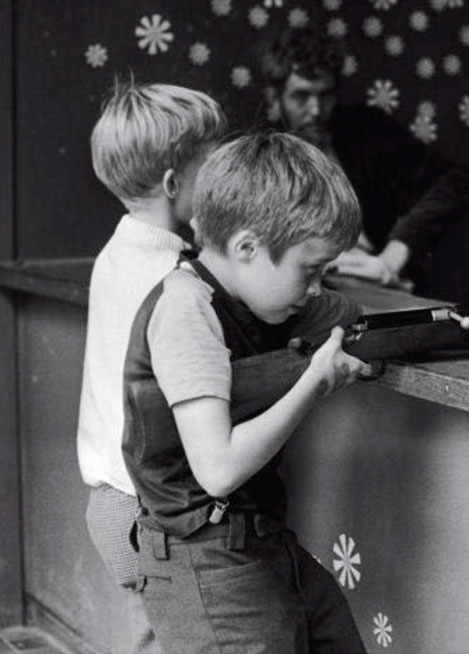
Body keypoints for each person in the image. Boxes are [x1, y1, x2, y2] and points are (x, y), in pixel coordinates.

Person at [121, 131, 469, 653]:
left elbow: (389, 328)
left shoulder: (273, 301)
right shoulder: (187, 309)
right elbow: (218, 469)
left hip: (259, 543)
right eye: (310, 269)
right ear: (248, 247)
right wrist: (314, 383)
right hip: (200, 554)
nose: (319, 287)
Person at [77, 81, 227, 654]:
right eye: (211, 165)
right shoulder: (175, 282)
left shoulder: (115, 255)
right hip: (145, 512)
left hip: (110, 503)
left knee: (158, 638)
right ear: (173, 184)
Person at [259, 25, 469, 293]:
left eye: (325, 95)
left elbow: (455, 182)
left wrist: (393, 257)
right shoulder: (260, 152)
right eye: (301, 96)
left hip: (384, 289)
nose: (315, 110)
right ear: (275, 96)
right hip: (303, 297)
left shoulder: (368, 131)